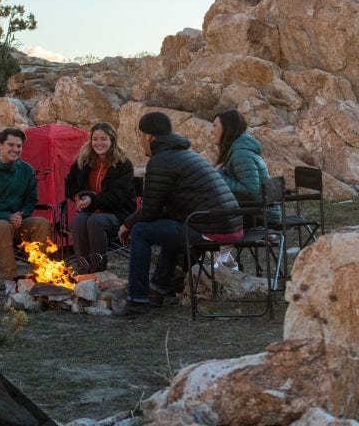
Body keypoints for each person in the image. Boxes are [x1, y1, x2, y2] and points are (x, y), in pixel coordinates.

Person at [116, 112, 243, 317]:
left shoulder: (162, 160)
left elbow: (149, 210)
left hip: (214, 229)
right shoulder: (184, 153)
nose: (139, 141)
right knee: (167, 227)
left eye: (140, 135)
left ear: (149, 137)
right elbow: (160, 209)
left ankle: (137, 301)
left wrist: (127, 224)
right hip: (226, 225)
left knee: (140, 231)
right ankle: (157, 290)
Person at [0, 127, 54, 296]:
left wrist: (21, 214)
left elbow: (31, 201)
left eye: (19, 146)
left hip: (18, 220)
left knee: (42, 223)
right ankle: (11, 281)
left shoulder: (26, 170)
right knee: (3, 226)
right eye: (11, 144)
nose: (16, 149)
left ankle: (39, 274)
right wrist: (8, 217)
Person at [210, 109, 281, 267]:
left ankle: (222, 261)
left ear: (227, 128)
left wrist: (218, 176)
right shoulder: (235, 151)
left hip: (261, 216)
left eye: (215, 125)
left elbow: (250, 192)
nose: (211, 130)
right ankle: (223, 259)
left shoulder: (240, 154)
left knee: (203, 218)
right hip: (254, 211)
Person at [65, 122, 136, 274]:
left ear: (112, 140)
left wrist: (92, 200)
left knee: (95, 221)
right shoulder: (83, 160)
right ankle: (84, 271)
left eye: (103, 139)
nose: (99, 143)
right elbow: (69, 186)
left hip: (117, 213)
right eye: (95, 139)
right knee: (78, 220)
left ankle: (98, 271)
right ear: (90, 140)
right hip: (91, 210)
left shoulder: (123, 164)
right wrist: (78, 198)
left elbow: (118, 197)